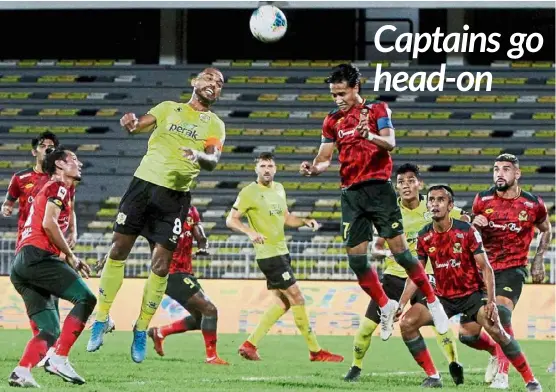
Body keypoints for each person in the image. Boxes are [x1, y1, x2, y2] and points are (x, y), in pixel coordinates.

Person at [299, 63, 449, 341]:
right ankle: (385, 304)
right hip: (351, 194)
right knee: (357, 262)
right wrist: (314, 169)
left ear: (356, 87)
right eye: (334, 95)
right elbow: (324, 157)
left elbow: (390, 142)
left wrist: (370, 136)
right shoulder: (332, 120)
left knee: (403, 254)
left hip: (379, 189)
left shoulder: (378, 110)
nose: (338, 100)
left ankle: (434, 303)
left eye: (342, 93)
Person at [87, 68, 226, 363]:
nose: (214, 84)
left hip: (175, 198)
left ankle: (141, 328)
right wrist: (132, 123)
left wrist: (198, 155)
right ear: (194, 82)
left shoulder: (214, 123)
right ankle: (100, 318)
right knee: (118, 250)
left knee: (161, 266)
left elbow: (213, 159)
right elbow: (139, 125)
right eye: (209, 78)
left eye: (219, 83)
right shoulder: (168, 109)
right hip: (143, 186)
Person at [398, 185, 541, 392]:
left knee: (497, 330)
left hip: (472, 295)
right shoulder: (424, 235)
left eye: (440, 200)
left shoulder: (466, 231)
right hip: (442, 298)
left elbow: (486, 268)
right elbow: (416, 275)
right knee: (407, 324)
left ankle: (531, 380)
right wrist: (401, 303)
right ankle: (433, 376)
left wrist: (491, 301)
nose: (435, 204)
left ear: (450, 206)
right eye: (431, 200)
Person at [344, 163, 468, 384]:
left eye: (411, 180)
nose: (406, 185)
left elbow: (463, 220)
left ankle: (453, 363)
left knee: (438, 322)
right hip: (393, 277)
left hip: (425, 277)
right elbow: (378, 245)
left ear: (419, 183)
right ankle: (355, 366)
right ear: (396, 187)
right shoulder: (390, 210)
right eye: (401, 182)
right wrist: (386, 254)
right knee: (365, 329)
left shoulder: (433, 207)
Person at [227, 152, 344, 362]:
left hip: (281, 252)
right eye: (262, 166)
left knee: (283, 303)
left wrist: (305, 221)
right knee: (297, 297)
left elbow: (286, 218)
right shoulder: (249, 192)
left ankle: (250, 344)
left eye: (270, 166)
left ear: (275, 168)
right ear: (256, 169)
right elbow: (231, 220)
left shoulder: (279, 189)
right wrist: (250, 233)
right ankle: (315, 351)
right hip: (269, 255)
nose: (266, 170)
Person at [461, 153, 552, 388]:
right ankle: (494, 351)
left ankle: (503, 373)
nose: (499, 173)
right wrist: (474, 223)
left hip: (512, 268)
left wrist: (538, 260)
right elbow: (471, 234)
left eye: (505, 169)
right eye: (496, 169)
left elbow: (546, 229)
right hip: (483, 270)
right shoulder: (482, 199)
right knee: (467, 335)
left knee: (500, 313)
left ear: (517, 174)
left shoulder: (533, 204)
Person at [8, 148, 95, 387]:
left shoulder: (48, 188)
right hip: (37, 258)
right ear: (59, 164)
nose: (80, 164)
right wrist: (71, 256)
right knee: (86, 298)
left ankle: (22, 371)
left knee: (49, 330)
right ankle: (59, 357)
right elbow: (49, 224)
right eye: (74, 159)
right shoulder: (58, 186)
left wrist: (67, 258)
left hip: (22, 265)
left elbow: (43, 226)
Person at [147, 205, 228, 365]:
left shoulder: (192, 210)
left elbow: (199, 233)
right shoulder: (162, 210)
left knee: (200, 318)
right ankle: (211, 357)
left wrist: (203, 246)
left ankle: (160, 332)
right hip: (170, 272)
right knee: (210, 310)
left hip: (185, 272)